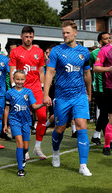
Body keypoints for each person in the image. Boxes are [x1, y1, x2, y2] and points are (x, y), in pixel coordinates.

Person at [44, 20, 92, 176]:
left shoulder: (84, 52)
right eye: (63, 33)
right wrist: (46, 94)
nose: (65, 35)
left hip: (79, 95)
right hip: (62, 96)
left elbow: (86, 74)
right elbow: (50, 73)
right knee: (59, 129)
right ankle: (55, 153)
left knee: (81, 126)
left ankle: (83, 165)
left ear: (75, 33)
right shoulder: (57, 51)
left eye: (67, 32)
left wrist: (89, 92)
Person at [9, 26, 47, 159]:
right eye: (26, 37)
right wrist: (15, 89)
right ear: (21, 37)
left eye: (30, 37)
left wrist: (42, 88)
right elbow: (12, 71)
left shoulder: (39, 51)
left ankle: (37, 147)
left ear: (33, 37)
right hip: (22, 89)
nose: (28, 39)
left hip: (36, 88)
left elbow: (41, 71)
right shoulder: (15, 52)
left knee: (42, 116)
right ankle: (24, 149)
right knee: (24, 119)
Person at [3, 70, 45, 177]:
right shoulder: (9, 93)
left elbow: (34, 106)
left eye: (22, 79)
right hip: (14, 121)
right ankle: (20, 169)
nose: (19, 81)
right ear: (13, 78)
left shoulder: (28, 92)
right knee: (20, 144)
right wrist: (5, 124)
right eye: (17, 79)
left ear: (25, 79)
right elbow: (7, 109)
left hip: (26, 121)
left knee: (26, 147)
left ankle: (22, 156)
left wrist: (43, 104)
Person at [90, 32, 111, 145]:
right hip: (99, 87)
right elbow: (86, 68)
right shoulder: (94, 53)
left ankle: (97, 135)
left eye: (109, 38)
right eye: (106, 39)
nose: (109, 40)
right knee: (104, 112)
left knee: (106, 113)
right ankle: (102, 137)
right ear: (100, 42)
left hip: (109, 86)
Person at [0, 40, 18, 141]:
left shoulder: (18, 60)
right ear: (7, 50)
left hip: (17, 88)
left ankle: (15, 132)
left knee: (15, 109)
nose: (14, 51)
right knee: (6, 109)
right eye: (12, 50)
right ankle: (4, 130)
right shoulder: (6, 60)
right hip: (7, 89)